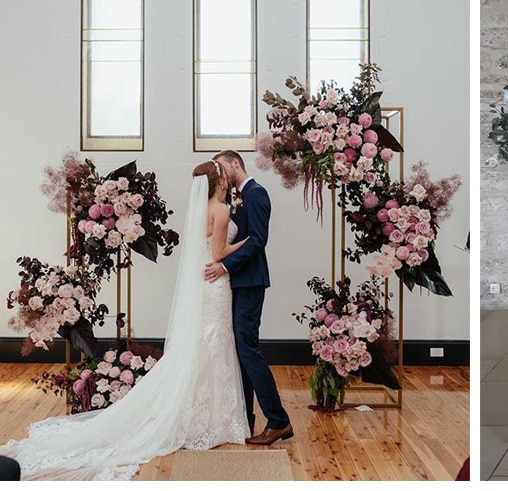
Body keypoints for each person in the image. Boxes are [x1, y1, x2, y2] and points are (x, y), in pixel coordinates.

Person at [0, 161, 249, 480]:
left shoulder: (201, 210)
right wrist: (248, 243)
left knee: (206, 346)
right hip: (215, 284)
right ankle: (217, 419)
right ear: (220, 181)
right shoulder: (222, 210)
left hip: (205, 285)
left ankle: (209, 415)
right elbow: (217, 253)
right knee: (214, 345)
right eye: (227, 176)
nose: (230, 179)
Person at [204, 150, 292, 445]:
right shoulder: (235, 197)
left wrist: (225, 265)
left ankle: (278, 421)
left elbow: (258, 240)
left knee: (248, 350)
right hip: (236, 283)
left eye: (223, 167)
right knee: (241, 352)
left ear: (236, 164)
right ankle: (247, 418)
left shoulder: (256, 193)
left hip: (251, 281)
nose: (222, 174)